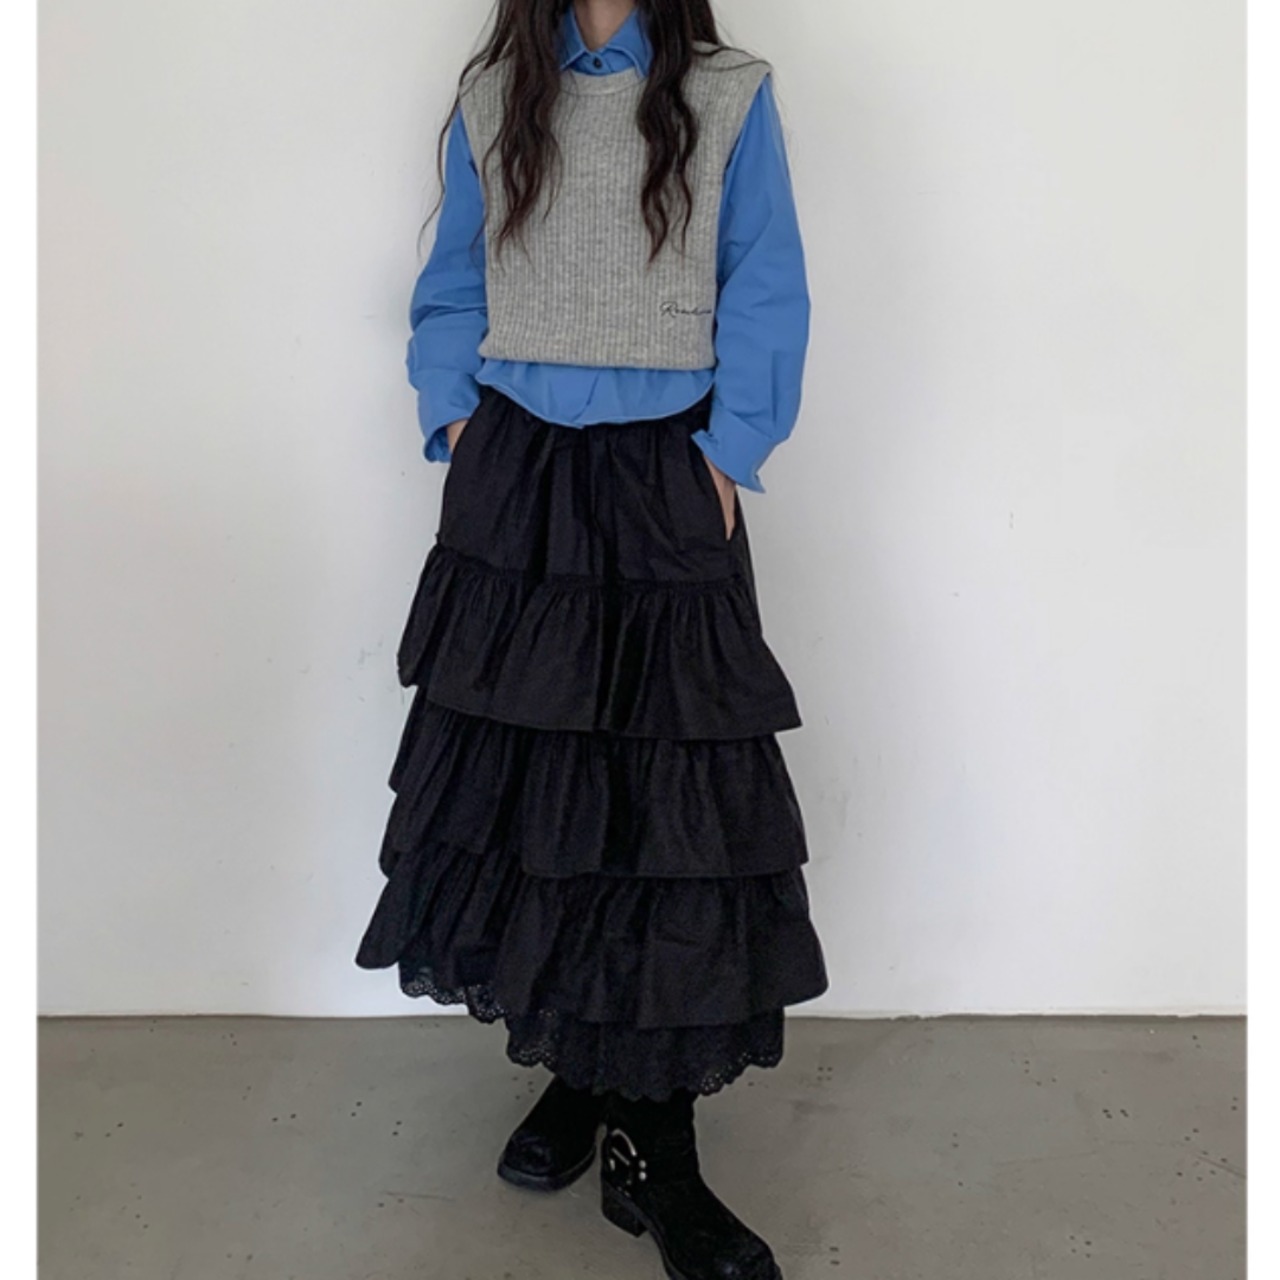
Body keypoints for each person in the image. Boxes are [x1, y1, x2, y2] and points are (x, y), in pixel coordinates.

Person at [355, 3, 827, 1276]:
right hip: (517, 479)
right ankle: (576, 1066)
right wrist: (457, 421)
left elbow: (765, 279)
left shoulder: (727, 93)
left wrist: (728, 453)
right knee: (538, 796)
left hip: (665, 472)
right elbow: (453, 280)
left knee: (663, 810)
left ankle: (656, 1149)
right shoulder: (495, 91)